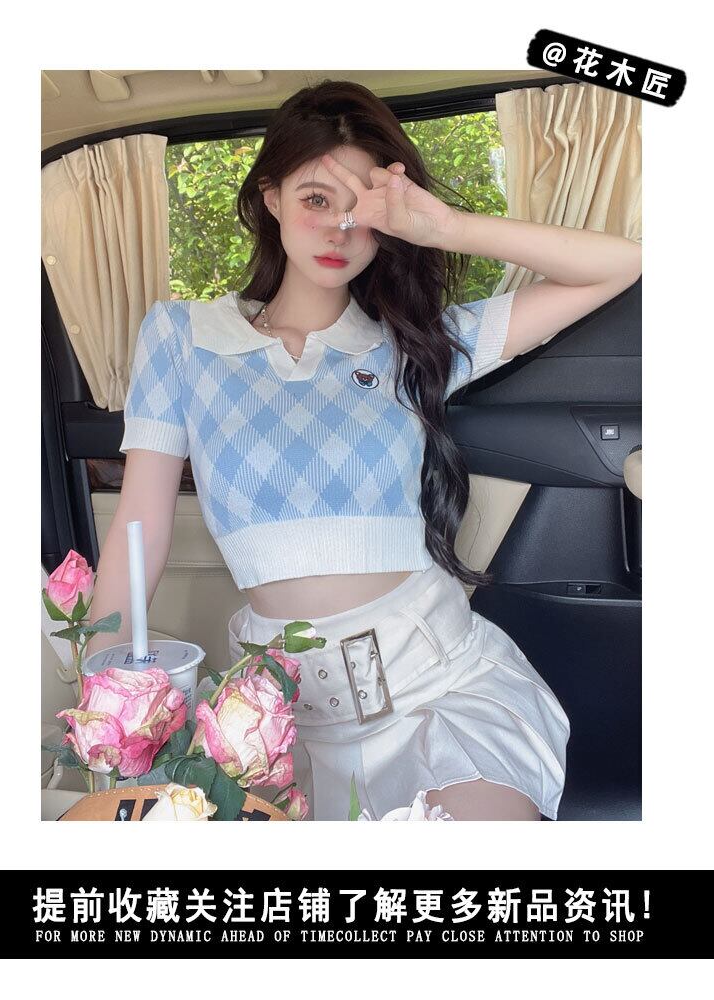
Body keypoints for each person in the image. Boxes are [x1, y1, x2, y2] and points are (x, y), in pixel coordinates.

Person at [85, 80, 642, 820]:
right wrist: (106, 700)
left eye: (362, 213)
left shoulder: (418, 346)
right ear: (270, 196)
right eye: (316, 199)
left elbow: (619, 264)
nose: (339, 230)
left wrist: (442, 226)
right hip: (274, 726)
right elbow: (140, 526)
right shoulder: (182, 338)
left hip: (438, 694)